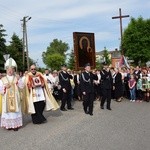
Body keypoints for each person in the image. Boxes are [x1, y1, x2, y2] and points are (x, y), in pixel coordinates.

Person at [0, 58, 23, 131]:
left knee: (15, 112)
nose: (10, 71)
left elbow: (22, 87)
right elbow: (0, 90)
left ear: (14, 70)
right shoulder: (2, 79)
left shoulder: (16, 78)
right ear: (6, 70)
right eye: (8, 70)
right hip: (6, 99)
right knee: (8, 112)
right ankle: (8, 125)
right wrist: (4, 87)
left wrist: (19, 79)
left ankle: (15, 125)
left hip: (15, 99)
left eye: (11, 69)